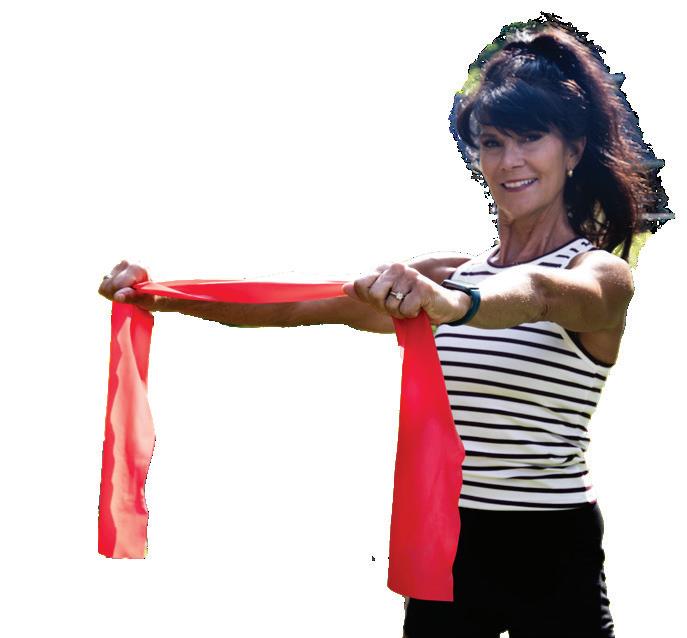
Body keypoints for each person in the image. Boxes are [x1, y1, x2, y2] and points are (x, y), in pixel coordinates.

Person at [99, 14, 670, 638]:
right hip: (447, 542)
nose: (510, 161)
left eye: (531, 139)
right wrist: (159, 296)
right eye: (492, 142)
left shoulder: (598, 273)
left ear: (573, 150)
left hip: (554, 548)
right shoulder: (444, 274)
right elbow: (294, 306)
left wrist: (456, 305)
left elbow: (538, 294)